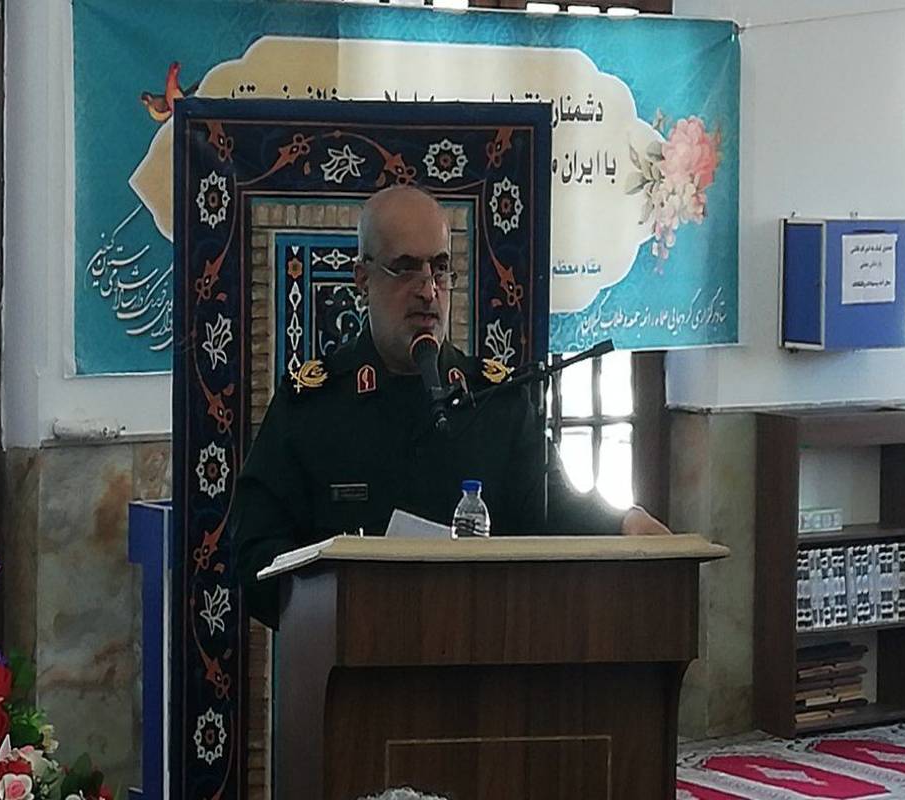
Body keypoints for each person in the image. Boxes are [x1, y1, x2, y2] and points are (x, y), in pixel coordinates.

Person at [229, 186, 670, 628]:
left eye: (439, 268)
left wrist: (622, 523)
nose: (428, 290)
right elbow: (255, 554)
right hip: (348, 651)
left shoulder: (495, 402)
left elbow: (555, 509)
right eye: (406, 268)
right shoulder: (312, 407)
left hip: (482, 651)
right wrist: (337, 590)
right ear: (363, 279)